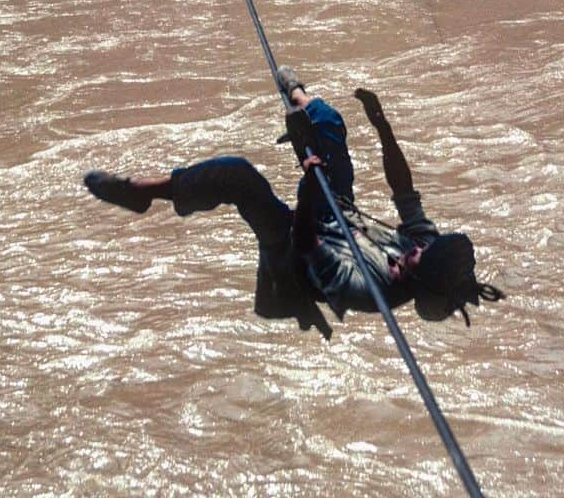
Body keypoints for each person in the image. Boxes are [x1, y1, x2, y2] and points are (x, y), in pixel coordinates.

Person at [84, 67, 502, 336]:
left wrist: (308, 184)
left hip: (291, 252)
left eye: (418, 260)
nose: (415, 251)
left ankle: (141, 193)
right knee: (330, 123)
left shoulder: (367, 291)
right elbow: (404, 191)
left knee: (238, 176)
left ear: (417, 280)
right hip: (336, 214)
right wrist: (383, 129)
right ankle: (299, 95)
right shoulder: (421, 247)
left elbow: (305, 243)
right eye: (423, 249)